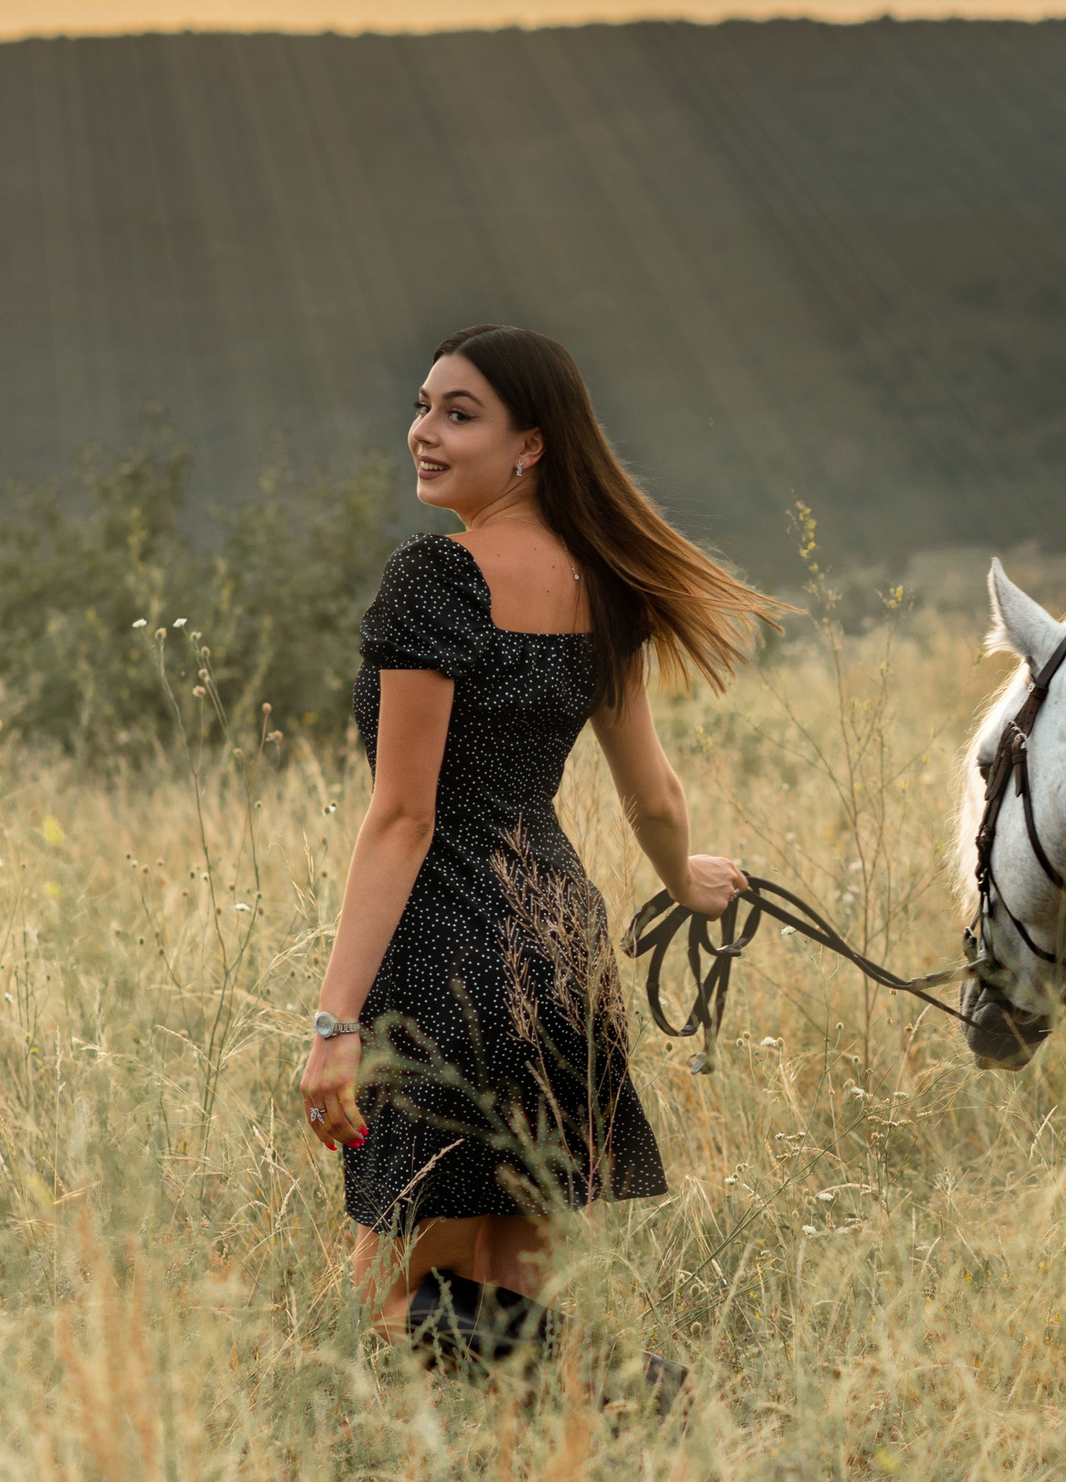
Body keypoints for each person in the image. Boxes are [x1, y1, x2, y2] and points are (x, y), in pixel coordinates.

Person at [298, 328, 774, 1371]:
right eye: (423, 406)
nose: (423, 431)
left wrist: (336, 1023)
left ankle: (633, 1383)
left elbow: (403, 820)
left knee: (387, 1308)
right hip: (561, 961)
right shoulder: (601, 585)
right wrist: (681, 881)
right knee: (507, 1300)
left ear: (530, 447)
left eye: (458, 413)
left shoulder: (435, 581)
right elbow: (653, 789)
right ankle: (555, 1467)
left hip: (447, 967)